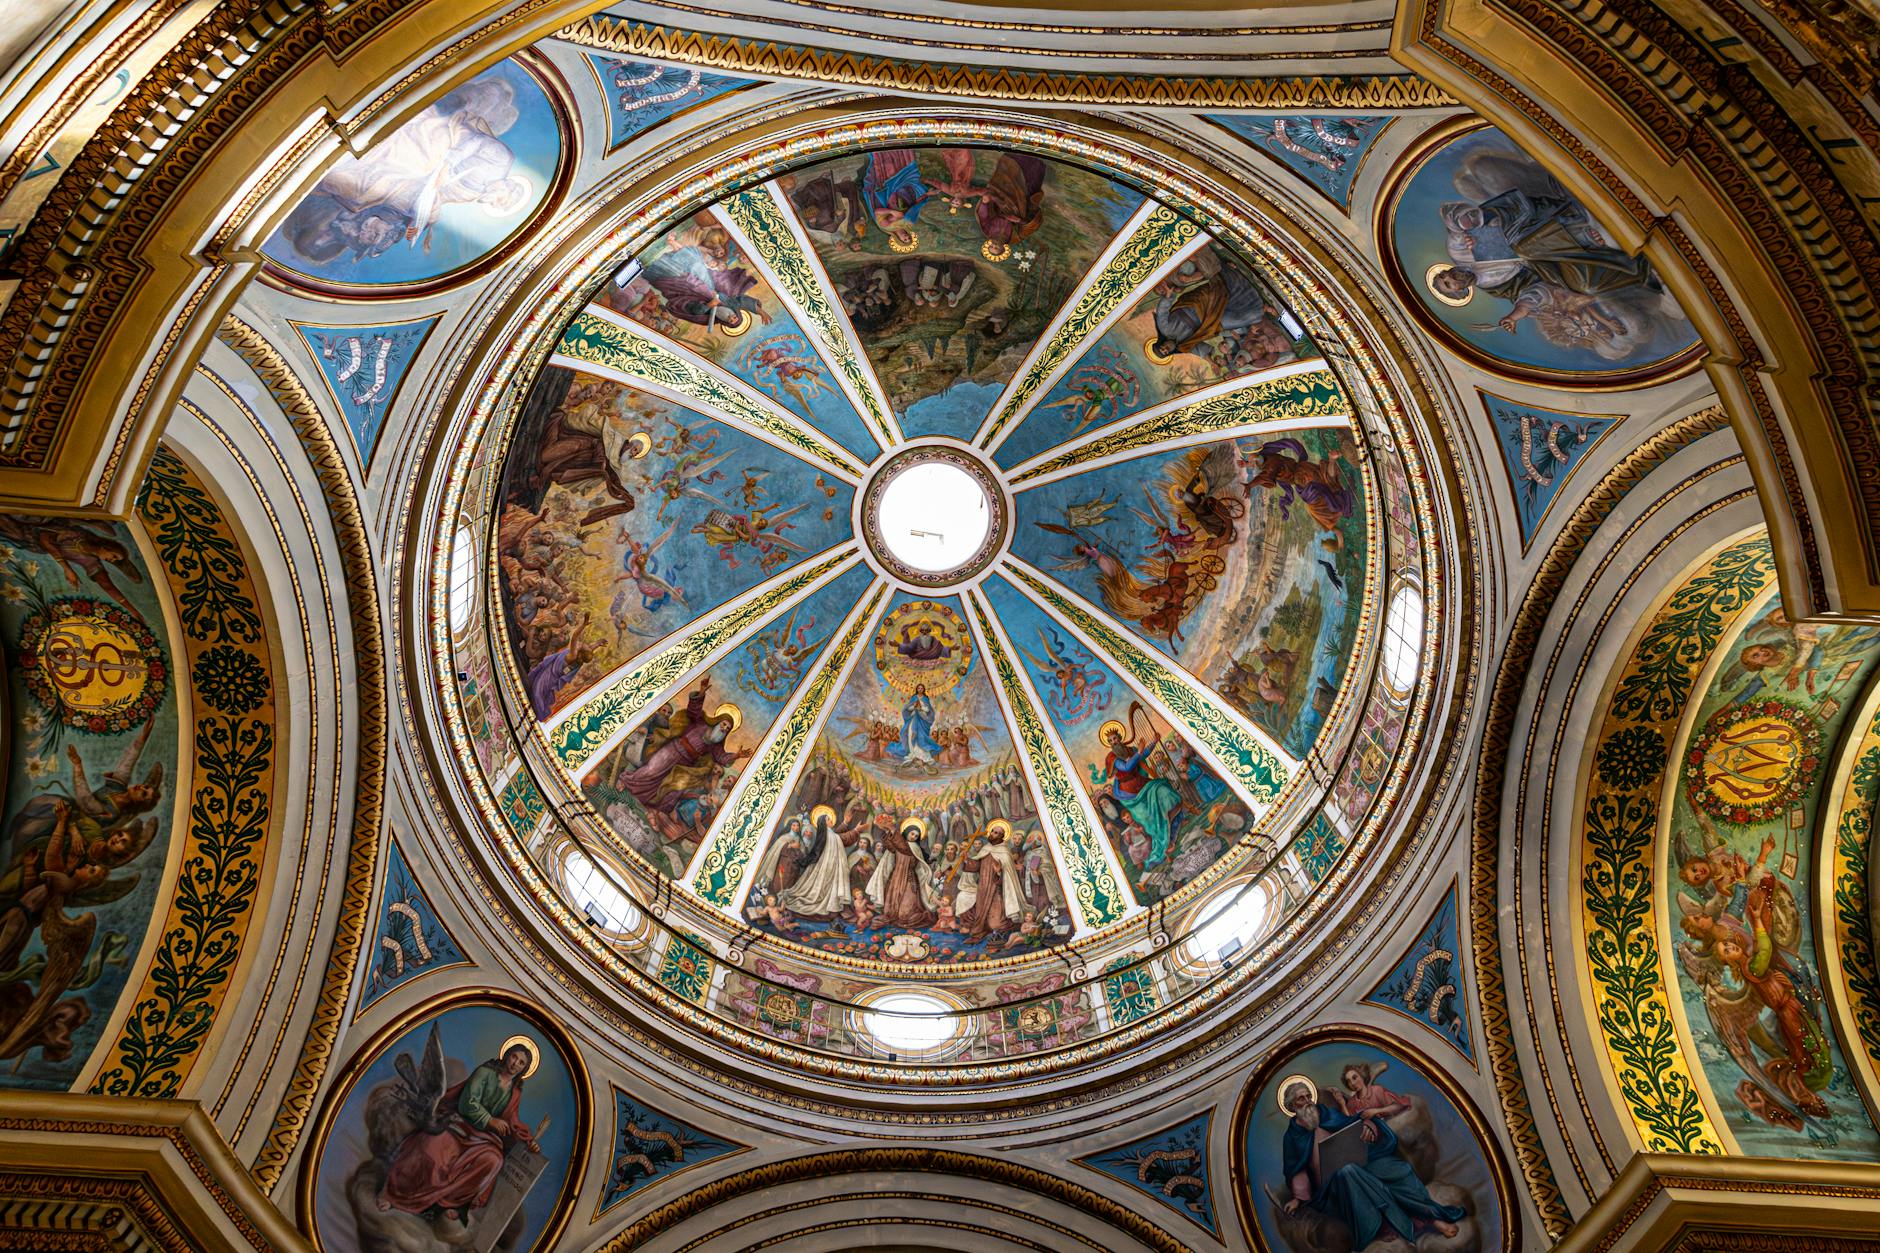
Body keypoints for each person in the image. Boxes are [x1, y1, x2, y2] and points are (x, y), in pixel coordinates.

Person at [1278, 1079, 1464, 1245]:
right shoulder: (1292, 1136)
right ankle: (1398, 1225)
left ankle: (1430, 1215)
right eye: (1301, 1099)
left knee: (1398, 1169)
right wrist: (1297, 1198)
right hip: (1332, 1186)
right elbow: (1297, 1169)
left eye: (1308, 1096)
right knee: (1349, 1172)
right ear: (1292, 1106)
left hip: (1359, 1163)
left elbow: (1353, 1124)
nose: (1307, 1101)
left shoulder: (1326, 1114)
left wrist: (1369, 1127)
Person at [377, 1038, 541, 1219]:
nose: (515, 1064)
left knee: (493, 1160)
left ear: (524, 1070)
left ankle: (449, 1202)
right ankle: (393, 1193)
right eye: (513, 1057)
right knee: (432, 1148)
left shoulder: (514, 1093)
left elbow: (513, 1122)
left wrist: (528, 1140)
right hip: (458, 1123)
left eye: (521, 1063)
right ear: (506, 1056)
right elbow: (467, 1103)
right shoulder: (485, 1073)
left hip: (483, 1138)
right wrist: (490, 1120)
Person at [1101, 715, 1186, 868]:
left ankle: (1173, 822)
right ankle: (1163, 841)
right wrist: (1139, 753)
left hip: (1142, 783)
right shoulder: (1111, 757)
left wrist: (1153, 742)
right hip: (1129, 794)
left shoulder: (1129, 749)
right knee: (1147, 816)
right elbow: (1126, 767)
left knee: (1163, 789)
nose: (1114, 742)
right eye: (1110, 741)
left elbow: (1143, 754)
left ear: (1120, 737)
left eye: (1115, 738)